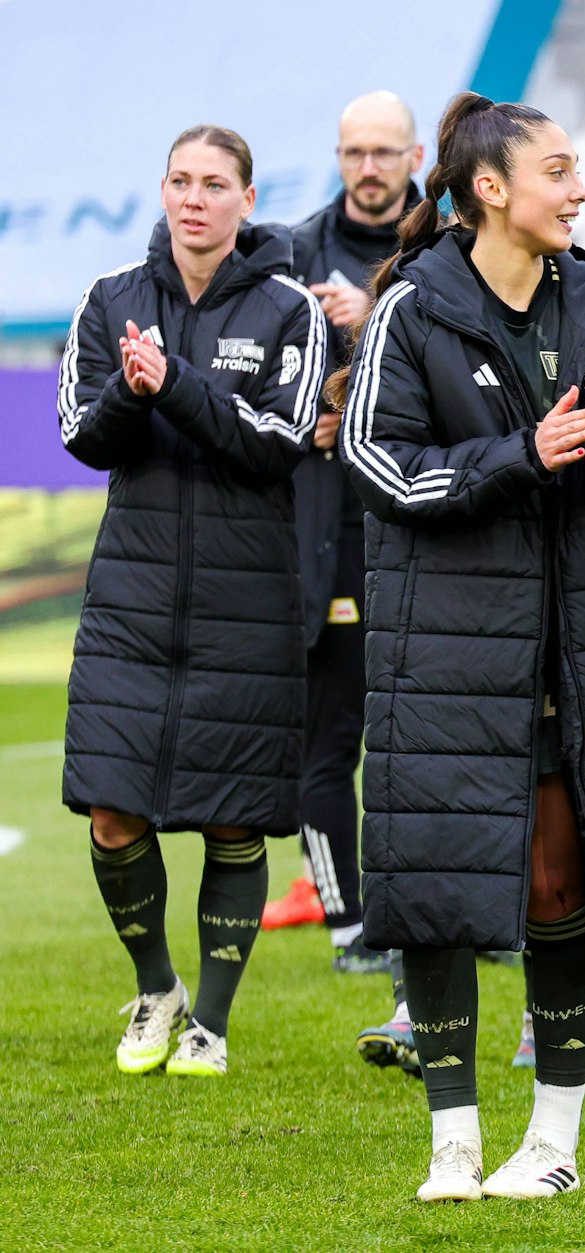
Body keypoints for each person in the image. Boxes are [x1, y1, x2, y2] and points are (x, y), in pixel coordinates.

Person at [334, 91, 585, 1202]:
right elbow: (378, 467)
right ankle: (450, 1143)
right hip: (438, 645)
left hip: (570, 643)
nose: (578, 190)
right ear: (491, 189)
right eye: (559, 171)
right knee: (433, 883)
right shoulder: (414, 307)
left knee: (556, 879)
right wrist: (521, 453)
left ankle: (553, 1140)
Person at [58, 124, 324, 1077]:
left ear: (248, 200)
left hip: (247, 599)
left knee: (234, 815)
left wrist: (175, 383)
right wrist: (137, 392)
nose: (194, 198)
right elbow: (84, 438)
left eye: (215, 183)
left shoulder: (291, 307)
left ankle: (209, 1020)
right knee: (112, 813)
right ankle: (155, 986)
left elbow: (275, 443)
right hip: (130, 599)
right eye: (179, 180)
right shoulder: (110, 299)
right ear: (162, 191)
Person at [259, 91, 423, 974]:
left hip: (423, 531)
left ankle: (441, 914)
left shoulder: (441, 251)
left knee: (427, 739)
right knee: (328, 742)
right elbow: (255, 380)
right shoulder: (289, 251)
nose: (368, 167)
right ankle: (348, 924)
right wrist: (318, 384)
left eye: (384, 152)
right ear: (338, 155)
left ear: (412, 158)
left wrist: (372, 321)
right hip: (324, 537)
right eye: (354, 151)